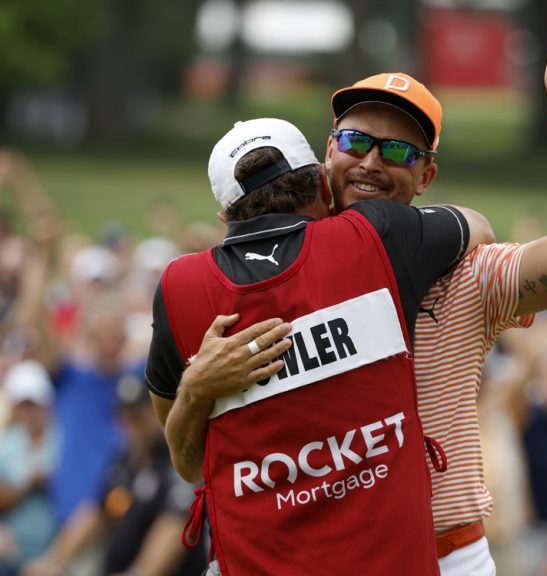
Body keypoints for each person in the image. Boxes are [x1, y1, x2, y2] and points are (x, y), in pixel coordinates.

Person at [172, 17, 547, 575]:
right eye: (355, 141)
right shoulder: (252, 278)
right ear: (326, 153)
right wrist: (194, 390)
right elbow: (195, 462)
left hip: (442, 553)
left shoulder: (469, 273)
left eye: (396, 150)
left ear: (427, 176)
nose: (370, 162)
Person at [144, 117, 492, 574]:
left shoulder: (179, 288)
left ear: (225, 218)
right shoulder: (375, 235)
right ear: (323, 189)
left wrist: (196, 388)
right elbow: (478, 227)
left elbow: (189, 464)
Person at [21, 373, 207, 576]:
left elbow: (174, 526)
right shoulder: (123, 463)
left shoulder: (177, 463)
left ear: (156, 413)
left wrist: (139, 573)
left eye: (137, 416)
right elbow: (95, 513)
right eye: (124, 416)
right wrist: (53, 562)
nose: (130, 424)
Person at [0, 360, 58, 576]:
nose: (28, 411)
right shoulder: (6, 444)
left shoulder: (62, 439)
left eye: (33, 404)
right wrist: (28, 483)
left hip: (55, 550)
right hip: (10, 554)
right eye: (22, 404)